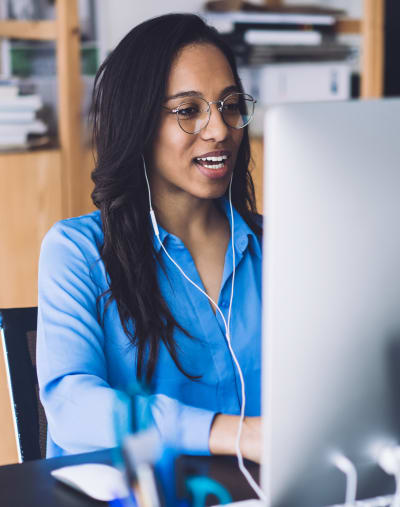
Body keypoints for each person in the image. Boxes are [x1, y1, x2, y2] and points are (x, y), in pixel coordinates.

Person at [37, 13, 262, 463]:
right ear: (138, 123)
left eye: (229, 104)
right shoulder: (77, 252)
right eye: (188, 110)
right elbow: (71, 407)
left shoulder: (285, 248)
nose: (219, 130)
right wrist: (230, 433)